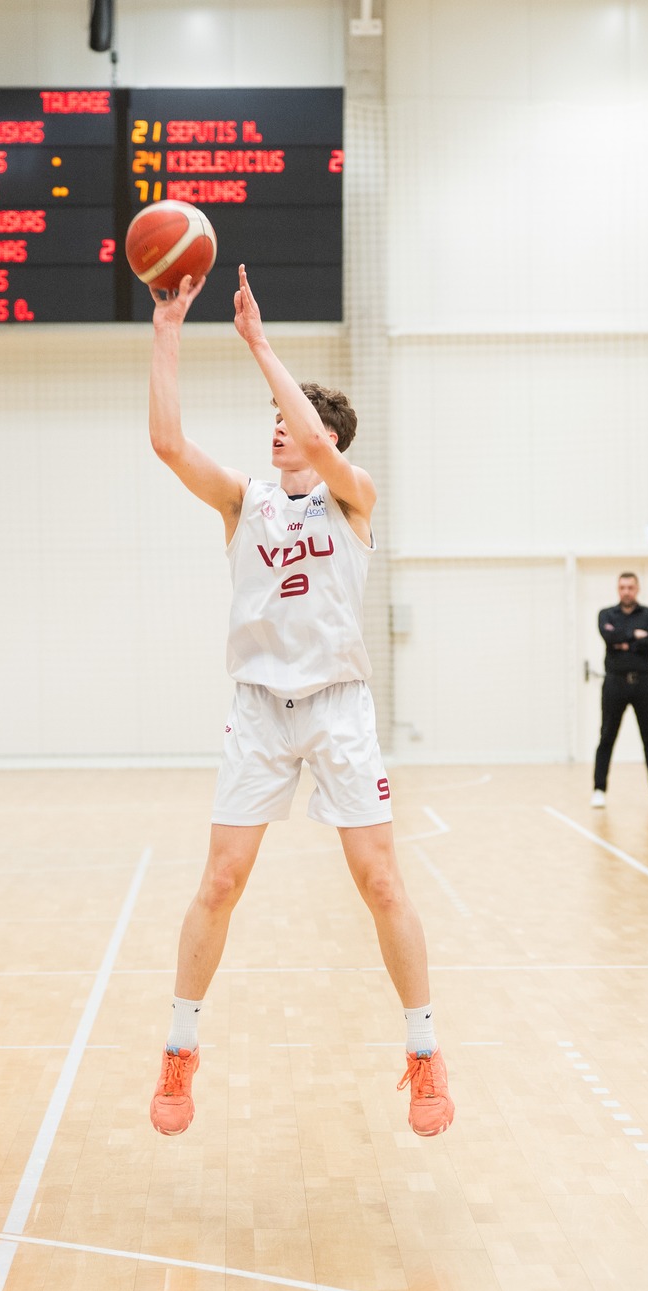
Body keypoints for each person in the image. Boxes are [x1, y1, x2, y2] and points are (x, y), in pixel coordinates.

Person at [143, 266, 451, 1139]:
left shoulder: (354, 497)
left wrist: (259, 342)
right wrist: (167, 329)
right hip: (259, 711)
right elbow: (168, 443)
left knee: (381, 880)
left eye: (293, 421)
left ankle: (425, 1051)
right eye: (274, 419)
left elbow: (315, 440)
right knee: (221, 880)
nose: (278, 428)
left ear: (328, 440)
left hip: (339, 708)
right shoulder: (244, 502)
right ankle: (179, 1046)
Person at [591, 572, 648, 809]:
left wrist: (623, 641)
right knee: (607, 736)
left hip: (644, 683)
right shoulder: (606, 614)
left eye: (630, 587)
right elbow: (609, 636)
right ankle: (599, 790)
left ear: (637, 589)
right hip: (614, 683)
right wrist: (635, 635)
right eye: (622, 587)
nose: (626, 591)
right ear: (618, 589)